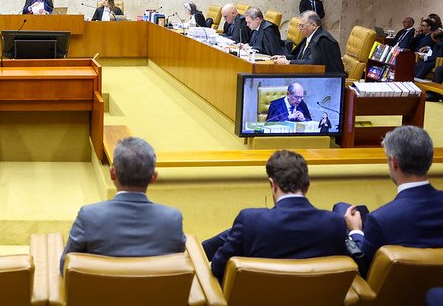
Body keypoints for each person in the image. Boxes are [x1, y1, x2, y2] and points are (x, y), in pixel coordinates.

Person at [203, 150, 347, 283]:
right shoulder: (336, 223)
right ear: (307, 186)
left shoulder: (250, 220)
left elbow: (218, 267)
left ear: (272, 184)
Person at [60, 137, 185, 273]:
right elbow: (177, 264)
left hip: (102, 287)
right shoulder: (172, 219)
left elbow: (65, 266)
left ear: (112, 173)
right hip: (155, 287)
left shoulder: (89, 216)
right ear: (153, 177)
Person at [341, 126, 443, 275]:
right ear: (430, 159)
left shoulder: (380, 219)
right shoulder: (382, 217)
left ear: (394, 162)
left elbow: (365, 267)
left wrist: (355, 230)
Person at [272, 11, 345, 73]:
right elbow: (300, 57)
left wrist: (288, 62)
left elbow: (312, 63)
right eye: (299, 26)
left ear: (313, 25)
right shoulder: (309, 36)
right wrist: (284, 57)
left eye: (301, 26)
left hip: (330, 79)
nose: (299, 29)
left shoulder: (322, 40)